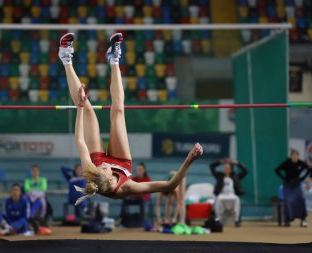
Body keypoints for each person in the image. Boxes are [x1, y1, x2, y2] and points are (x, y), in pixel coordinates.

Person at [58, 32, 203, 205]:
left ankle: (65, 57)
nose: (103, 166)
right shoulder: (126, 187)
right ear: (110, 179)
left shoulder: (93, 170)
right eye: (104, 169)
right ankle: (114, 58)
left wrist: (81, 107)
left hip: (97, 157)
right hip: (122, 162)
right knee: (118, 110)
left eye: (101, 168)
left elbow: (79, 139)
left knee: (88, 109)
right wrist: (190, 159)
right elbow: (169, 185)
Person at [275, 149, 311, 227]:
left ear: (298, 156)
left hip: (297, 184)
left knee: (301, 199)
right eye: (293, 155)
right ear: (291, 156)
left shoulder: (301, 163)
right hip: (288, 184)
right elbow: (276, 170)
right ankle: (287, 220)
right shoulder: (287, 163)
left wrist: (302, 178)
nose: (294, 157)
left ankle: (303, 220)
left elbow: (309, 170)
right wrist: (284, 178)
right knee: (288, 201)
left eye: (296, 155)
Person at [210, 158, 248, 226]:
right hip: (221, 195)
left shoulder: (235, 176)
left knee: (237, 200)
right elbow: (211, 167)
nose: (225, 169)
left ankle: (237, 220)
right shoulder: (219, 176)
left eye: (227, 168)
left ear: (231, 169)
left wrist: (237, 163)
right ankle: (218, 219)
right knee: (217, 200)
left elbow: (246, 171)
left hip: (232, 195)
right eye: (224, 168)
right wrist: (220, 161)